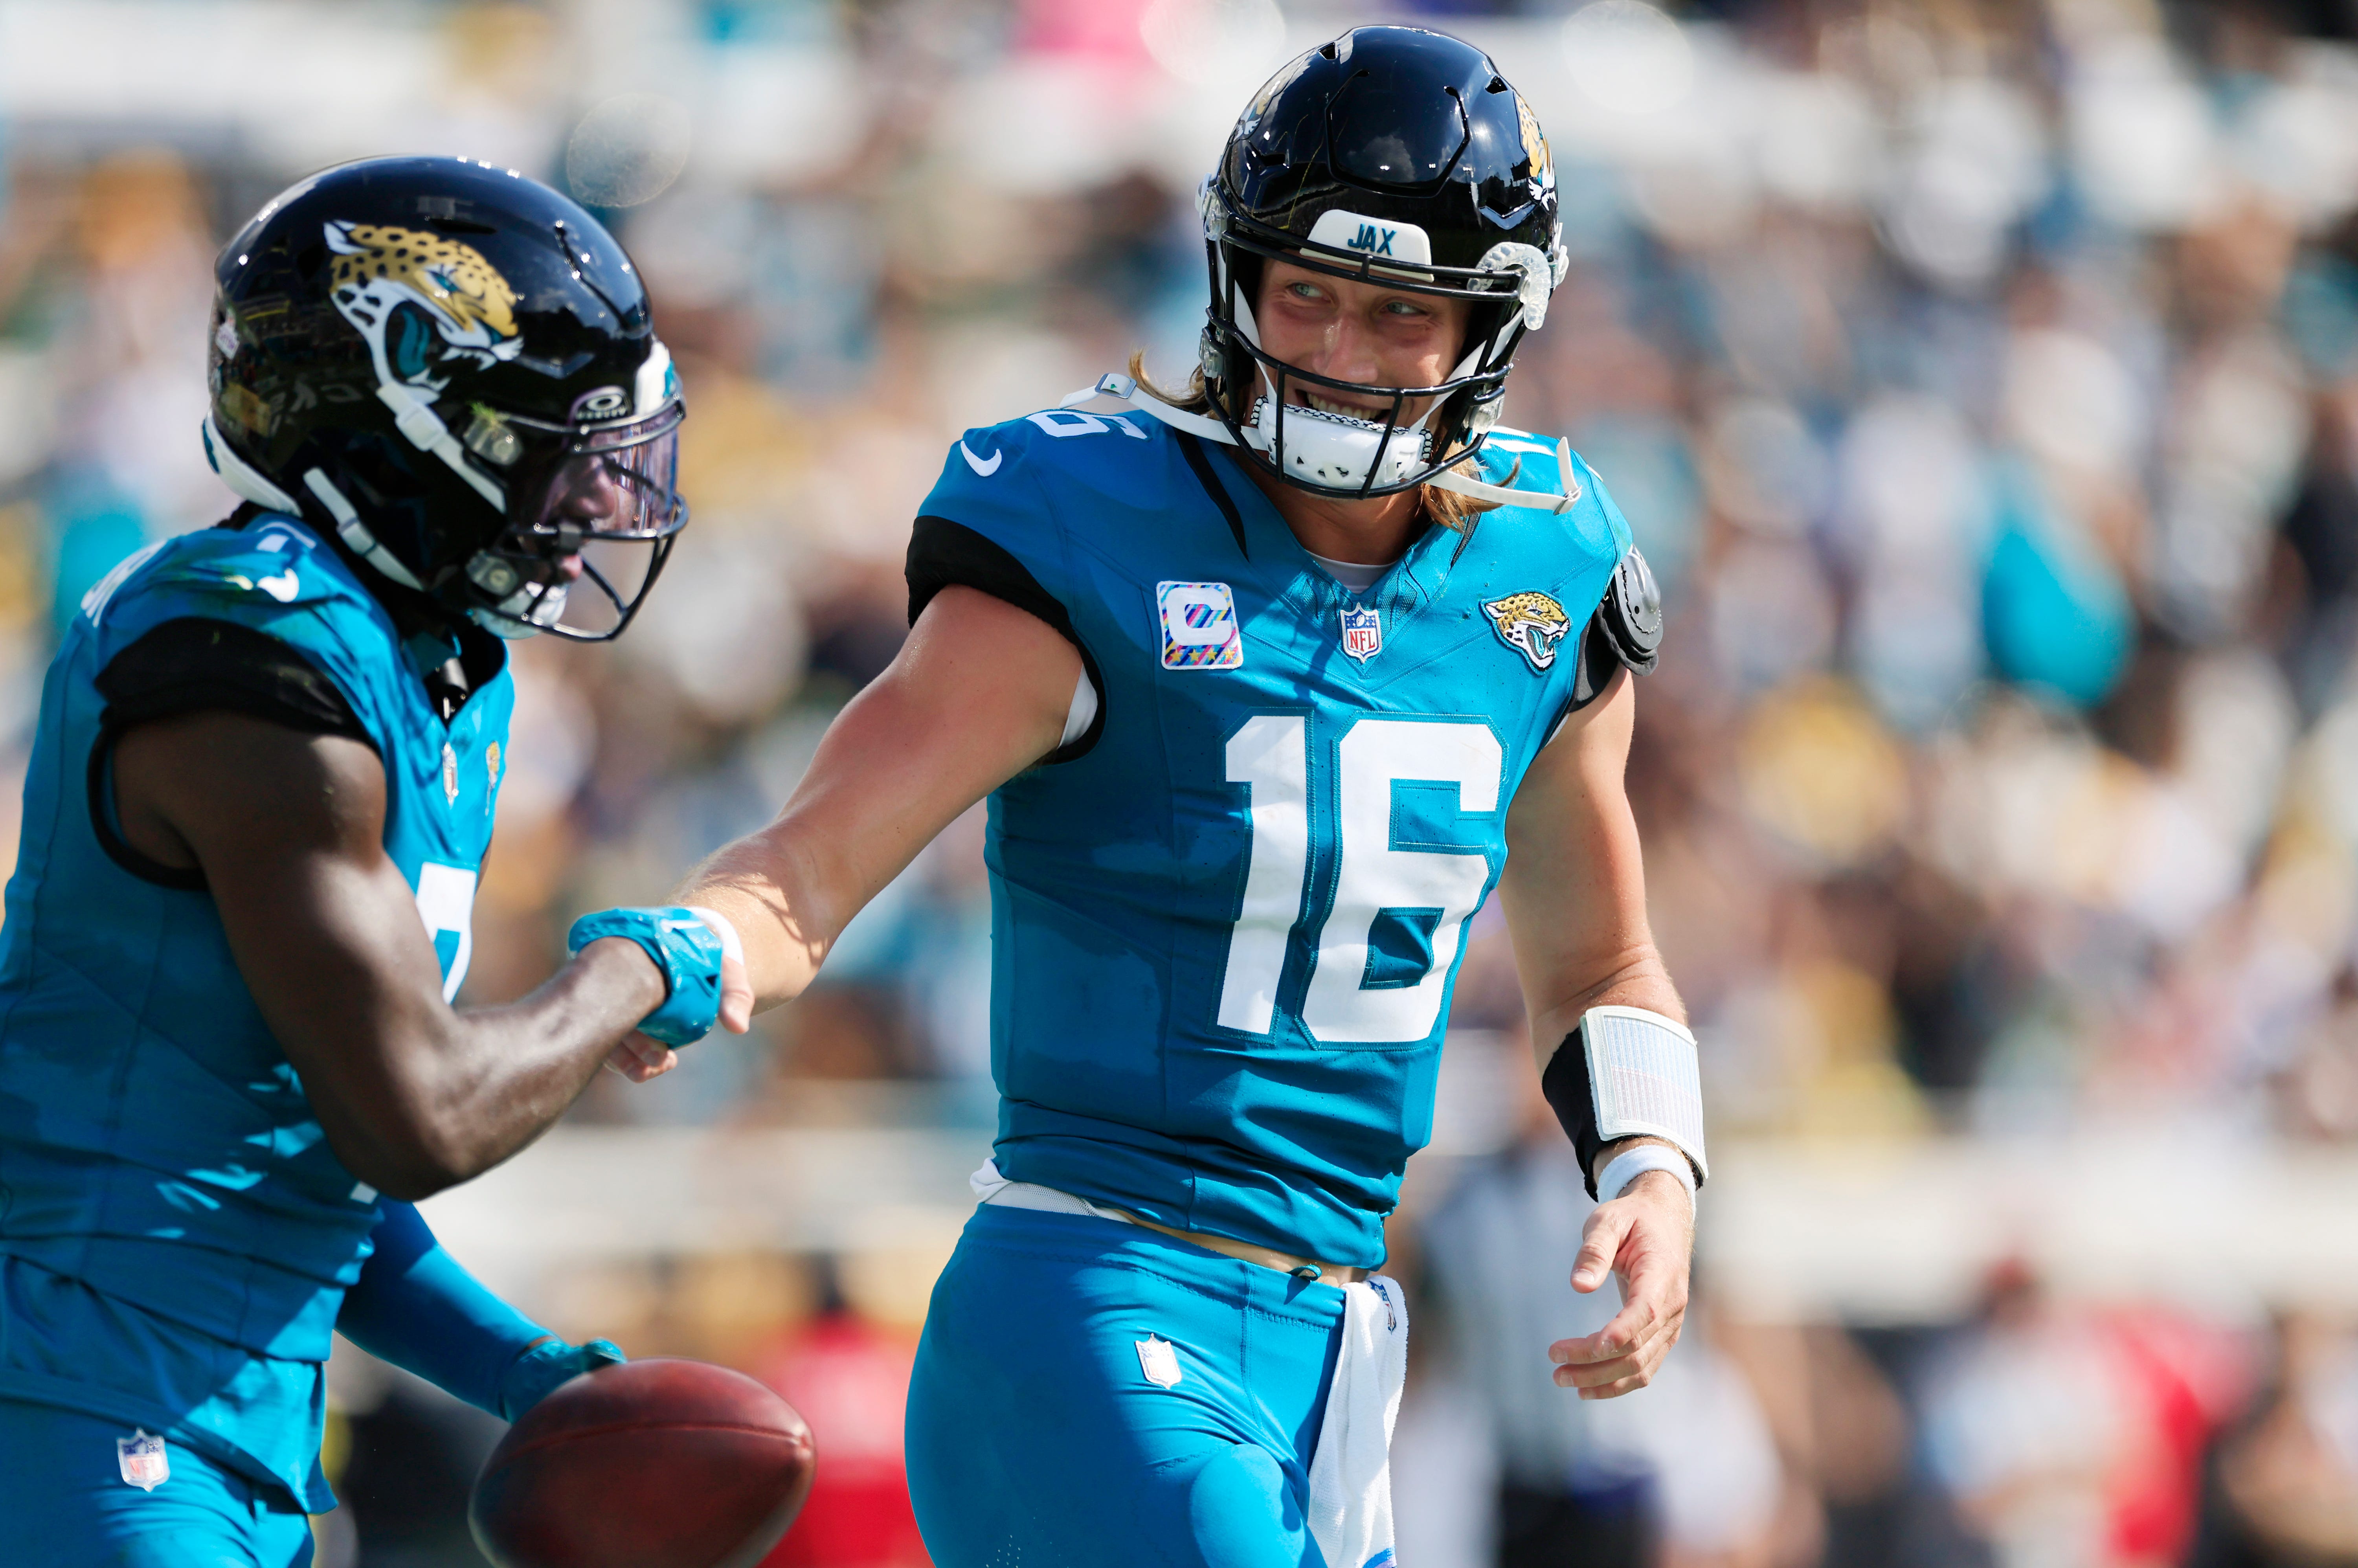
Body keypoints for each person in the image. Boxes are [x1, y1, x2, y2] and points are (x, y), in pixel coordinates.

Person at [608, 27, 1705, 1568]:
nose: (1334, 343)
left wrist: (1653, 1167)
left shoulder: (1547, 566)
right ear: (1232, 277)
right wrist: (692, 949)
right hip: (1095, 1308)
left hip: (1334, 1343)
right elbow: (816, 856)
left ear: (1487, 325)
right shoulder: (1086, 522)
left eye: (1398, 311)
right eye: (1304, 289)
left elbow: (1600, 960)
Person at [0, 156, 738, 1565]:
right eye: (555, 443)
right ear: (407, 408)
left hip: (209, 1424)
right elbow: (421, 1118)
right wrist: (636, 968)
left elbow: (304, 1160)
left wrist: (527, 1369)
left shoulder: (432, 666)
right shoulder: (249, 657)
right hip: (77, 1404)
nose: (593, 499)